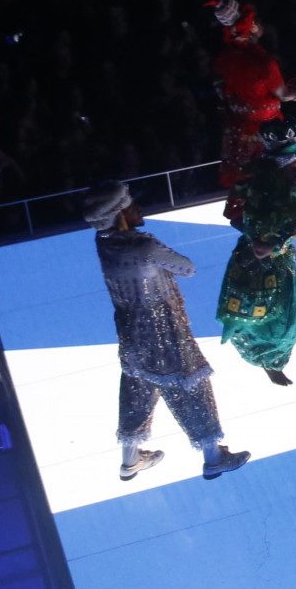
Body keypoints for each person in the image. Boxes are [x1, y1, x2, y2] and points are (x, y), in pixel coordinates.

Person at [86, 182, 250, 482]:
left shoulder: (104, 242)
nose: (138, 209)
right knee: (192, 389)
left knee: (138, 392)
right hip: (165, 332)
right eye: (130, 205)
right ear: (118, 214)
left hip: (130, 333)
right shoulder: (144, 246)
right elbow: (187, 268)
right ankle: (213, 457)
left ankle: (130, 461)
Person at [216, 122, 296, 386]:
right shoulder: (261, 186)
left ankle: (274, 361)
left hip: (277, 258)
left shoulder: (286, 183)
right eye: (293, 165)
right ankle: (268, 361)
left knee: (287, 317)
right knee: (272, 319)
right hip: (260, 262)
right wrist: (277, 239)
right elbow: (255, 229)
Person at [211, 0, 296, 226]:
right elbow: (283, 94)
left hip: (239, 128)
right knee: (278, 176)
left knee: (246, 180)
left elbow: (223, 87)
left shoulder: (225, 57)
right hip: (267, 130)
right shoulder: (263, 63)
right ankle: (282, 223)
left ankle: (248, 221)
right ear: (252, 27)